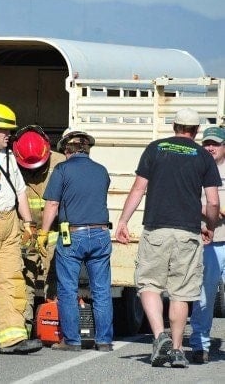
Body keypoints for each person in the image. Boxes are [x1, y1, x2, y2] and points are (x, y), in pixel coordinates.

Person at [115, 108, 220, 368]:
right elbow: (213, 202)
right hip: (188, 232)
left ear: (174, 126)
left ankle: (159, 334)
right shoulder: (203, 157)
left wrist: (123, 221)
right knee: (181, 293)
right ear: (195, 131)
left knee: (149, 284)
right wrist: (210, 225)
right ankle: (175, 349)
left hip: (156, 229)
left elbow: (139, 188)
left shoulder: (155, 148)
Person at [0, 104, 43, 354]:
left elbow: (20, 191)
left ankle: (12, 336)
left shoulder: (9, 156)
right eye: (4, 131)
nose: (8, 135)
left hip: (10, 222)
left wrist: (28, 223)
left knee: (11, 278)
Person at [37, 129, 113, 352]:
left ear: (66, 150)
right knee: (101, 290)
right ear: (87, 149)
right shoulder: (102, 171)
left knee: (68, 289)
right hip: (100, 234)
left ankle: (72, 341)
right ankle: (104, 341)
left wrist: (43, 233)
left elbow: (52, 204)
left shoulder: (62, 169)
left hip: (73, 235)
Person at [13, 125, 66, 326]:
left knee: (55, 279)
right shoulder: (11, 164)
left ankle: (53, 323)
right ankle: (23, 327)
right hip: (24, 230)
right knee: (23, 278)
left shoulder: (61, 163)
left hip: (53, 232)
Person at [189, 126, 225, 364]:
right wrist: (210, 210)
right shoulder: (195, 169)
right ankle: (199, 345)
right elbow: (185, 198)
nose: (210, 148)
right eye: (206, 143)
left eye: (215, 144)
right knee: (204, 296)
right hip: (208, 242)